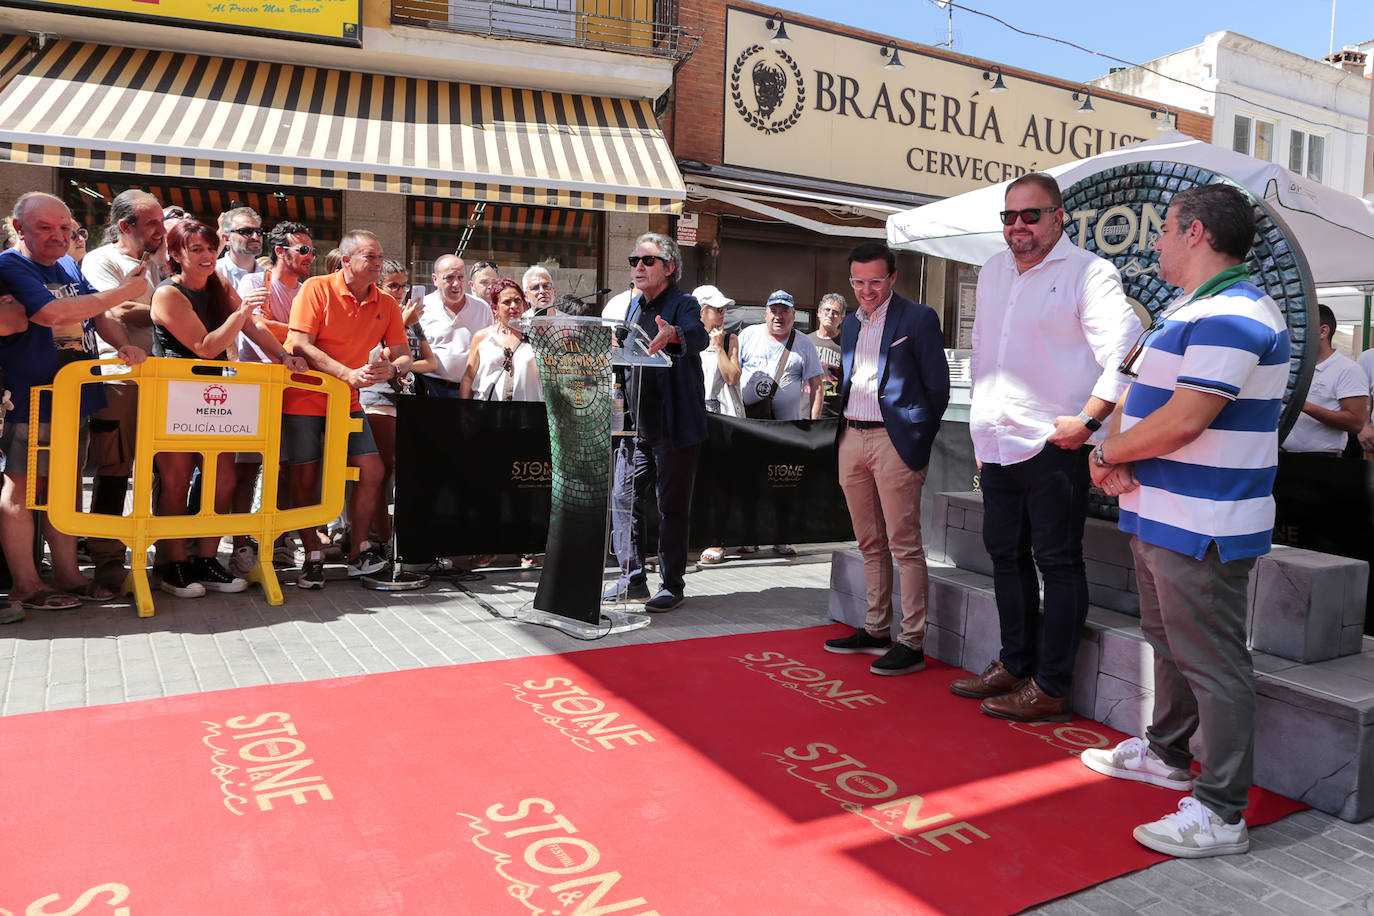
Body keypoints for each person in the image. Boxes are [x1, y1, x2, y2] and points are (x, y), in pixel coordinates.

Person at [1078, 183, 1289, 859]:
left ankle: (1222, 812)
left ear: (1195, 233)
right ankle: (1167, 753)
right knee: (1169, 642)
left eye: (1166, 230)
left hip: (1203, 519)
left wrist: (1107, 453)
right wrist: (1115, 457)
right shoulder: (1192, 306)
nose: (1158, 242)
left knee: (1213, 662)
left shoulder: (1235, 311)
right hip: (1160, 511)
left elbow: (1189, 417)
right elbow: (1143, 392)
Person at [949, 172, 1139, 719]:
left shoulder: (1090, 273)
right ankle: (1014, 663)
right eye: (1008, 217)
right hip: (998, 440)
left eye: (1030, 216)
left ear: (1060, 217)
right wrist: (980, 425)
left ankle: (1052, 686)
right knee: (1004, 557)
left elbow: (1127, 352)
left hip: (1057, 443)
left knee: (1057, 562)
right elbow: (983, 347)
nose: (1017, 227)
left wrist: (1087, 420)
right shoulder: (991, 271)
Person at [0, 192, 149, 611]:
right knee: (23, 487)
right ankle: (27, 585)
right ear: (19, 228)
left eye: (65, 228)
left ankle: (68, 575)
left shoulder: (67, 262)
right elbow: (51, 313)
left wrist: (123, 345)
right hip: (34, 396)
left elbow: (92, 314)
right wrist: (121, 293)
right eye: (45, 228)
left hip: (75, 395)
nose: (58, 236)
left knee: (63, 488)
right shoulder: (11, 265)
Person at [822, 243, 949, 676]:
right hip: (851, 436)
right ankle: (876, 628)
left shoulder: (918, 318)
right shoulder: (852, 325)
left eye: (875, 281)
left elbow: (937, 389)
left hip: (895, 440)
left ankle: (911, 641)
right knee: (869, 543)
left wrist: (916, 439)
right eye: (858, 282)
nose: (866, 290)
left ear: (893, 277)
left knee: (904, 545)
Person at [149, 219, 272, 597]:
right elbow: (204, 345)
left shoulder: (219, 284)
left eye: (210, 248)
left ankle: (205, 559)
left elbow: (253, 327)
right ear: (175, 255)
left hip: (214, 394)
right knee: (176, 481)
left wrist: (284, 355)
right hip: (174, 393)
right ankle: (173, 564)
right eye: (196, 249)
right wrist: (241, 314)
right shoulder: (168, 294)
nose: (207, 256)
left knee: (222, 480)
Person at [283, 229, 410, 589]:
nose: (378, 263)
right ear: (347, 258)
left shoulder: (386, 303)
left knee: (372, 469)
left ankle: (358, 550)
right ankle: (312, 554)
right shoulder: (316, 288)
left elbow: (403, 353)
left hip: (349, 403)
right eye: (370, 256)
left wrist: (393, 366)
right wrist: (345, 373)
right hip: (304, 398)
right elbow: (300, 344)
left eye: (380, 257)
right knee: (305, 477)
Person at [603, 233, 707, 612]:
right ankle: (631, 580)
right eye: (634, 261)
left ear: (669, 267)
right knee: (624, 500)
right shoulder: (632, 307)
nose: (638, 267)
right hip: (635, 428)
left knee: (671, 507)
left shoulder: (684, 303)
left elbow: (699, 335)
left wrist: (675, 334)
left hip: (674, 427)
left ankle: (672, 584)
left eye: (647, 261)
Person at [79, 189, 167, 589]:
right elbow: (113, 311)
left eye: (161, 222)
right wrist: (173, 312)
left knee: (165, 467)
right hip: (119, 378)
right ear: (125, 226)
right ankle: (107, 560)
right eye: (151, 223)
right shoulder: (101, 260)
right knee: (115, 469)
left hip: (163, 379)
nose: (160, 230)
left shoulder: (161, 261)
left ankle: (164, 554)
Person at [229, 220, 315, 576]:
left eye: (312, 250)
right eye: (304, 250)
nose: (311, 256)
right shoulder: (254, 281)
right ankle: (240, 544)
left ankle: (278, 541)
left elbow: (314, 336)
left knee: (285, 468)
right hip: (256, 387)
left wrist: (291, 338)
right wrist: (295, 339)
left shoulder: (309, 290)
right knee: (246, 467)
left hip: (297, 390)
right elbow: (256, 327)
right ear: (280, 251)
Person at [361, 260, 437, 552]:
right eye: (393, 285)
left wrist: (402, 368)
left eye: (404, 285)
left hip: (407, 399)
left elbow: (431, 362)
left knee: (399, 470)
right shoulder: (376, 313)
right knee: (380, 470)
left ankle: (390, 534)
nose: (400, 290)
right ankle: (380, 537)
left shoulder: (409, 318)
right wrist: (401, 325)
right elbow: (370, 354)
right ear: (379, 285)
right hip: (377, 397)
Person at [1280, 304, 1365, 454]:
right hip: (1283, 455)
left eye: (1299, 328)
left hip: (1322, 461)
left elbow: (1356, 422)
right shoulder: (1292, 365)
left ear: (1323, 331)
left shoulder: (1347, 369)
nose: (1292, 334)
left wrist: (1303, 405)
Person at [738, 290, 824, 423]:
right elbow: (731, 375)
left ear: (793, 315)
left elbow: (816, 386)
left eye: (784, 310)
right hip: (747, 423)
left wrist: (815, 423)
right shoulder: (748, 335)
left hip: (787, 429)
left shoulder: (805, 343)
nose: (778, 316)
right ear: (766, 314)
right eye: (773, 310)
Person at [418, 254, 488, 397]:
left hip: (470, 390)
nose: (456, 284)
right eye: (449, 278)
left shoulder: (482, 308)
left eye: (461, 277)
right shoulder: (422, 308)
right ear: (435, 279)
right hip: (430, 388)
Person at [460, 278, 541, 402]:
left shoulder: (535, 337)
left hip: (526, 412)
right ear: (494, 307)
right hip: (487, 412)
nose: (513, 306)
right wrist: (464, 411)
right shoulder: (482, 337)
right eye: (507, 302)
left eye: (517, 300)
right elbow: (468, 378)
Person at [693, 284, 742, 418]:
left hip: (724, 416)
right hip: (694, 412)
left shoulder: (729, 340)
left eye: (725, 309)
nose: (723, 313)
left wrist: (719, 348)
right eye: (719, 309)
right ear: (701, 311)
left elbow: (732, 378)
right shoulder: (688, 340)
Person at [809, 292, 846, 418]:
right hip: (803, 414)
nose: (830, 315)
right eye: (827, 310)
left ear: (842, 318)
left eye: (835, 312)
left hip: (832, 418)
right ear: (819, 312)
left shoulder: (847, 347)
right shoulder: (805, 342)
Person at [216, 207, 264, 290]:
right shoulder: (214, 272)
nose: (255, 237)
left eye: (259, 232)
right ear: (227, 239)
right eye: (246, 232)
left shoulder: (267, 275)